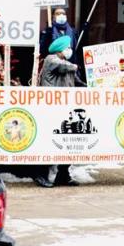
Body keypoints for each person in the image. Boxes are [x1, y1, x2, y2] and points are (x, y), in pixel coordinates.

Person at [32, 35, 79, 187]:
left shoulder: (65, 62)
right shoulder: (51, 60)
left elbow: (77, 81)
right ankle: (40, 175)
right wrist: (76, 66)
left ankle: (63, 175)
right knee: (48, 142)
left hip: (65, 108)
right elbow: (64, 67)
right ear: (60, 50)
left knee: (66, 142)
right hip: (50, 108)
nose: (69, 50)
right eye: (67, 48)